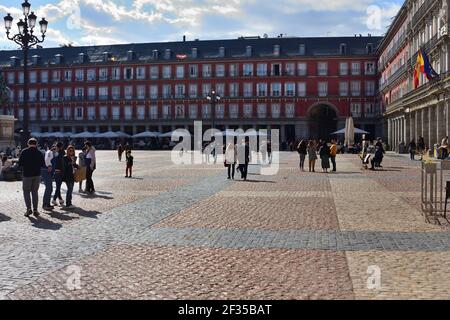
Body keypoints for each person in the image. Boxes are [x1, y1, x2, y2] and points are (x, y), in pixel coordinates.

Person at [18, 138, 45, 217]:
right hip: (37, 175)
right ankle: (35, 209)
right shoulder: (39, 153)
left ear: (28, 144)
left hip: (27, 175)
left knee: (26, 191)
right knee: (35, 192)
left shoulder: (24, 152)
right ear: (36, 144)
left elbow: (20, 164)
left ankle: (28, 209)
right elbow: (43, 164)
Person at [42, 144, 56, 211]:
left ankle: (47, 203)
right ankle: (45, 204)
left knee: (50, 188)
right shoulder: (50, 152)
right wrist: (49, 166)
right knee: (49, 188)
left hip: (47, 171)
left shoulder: (50, 152)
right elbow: (47, 159)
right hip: (46, 171)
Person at [52, 142, 65, 207]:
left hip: (57, 171)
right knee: (58, 186)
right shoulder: (61, 153)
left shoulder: (56, 153)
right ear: (61, 147)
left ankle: (60, 199)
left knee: (58, 186)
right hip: (59, 171)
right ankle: (54, 199)